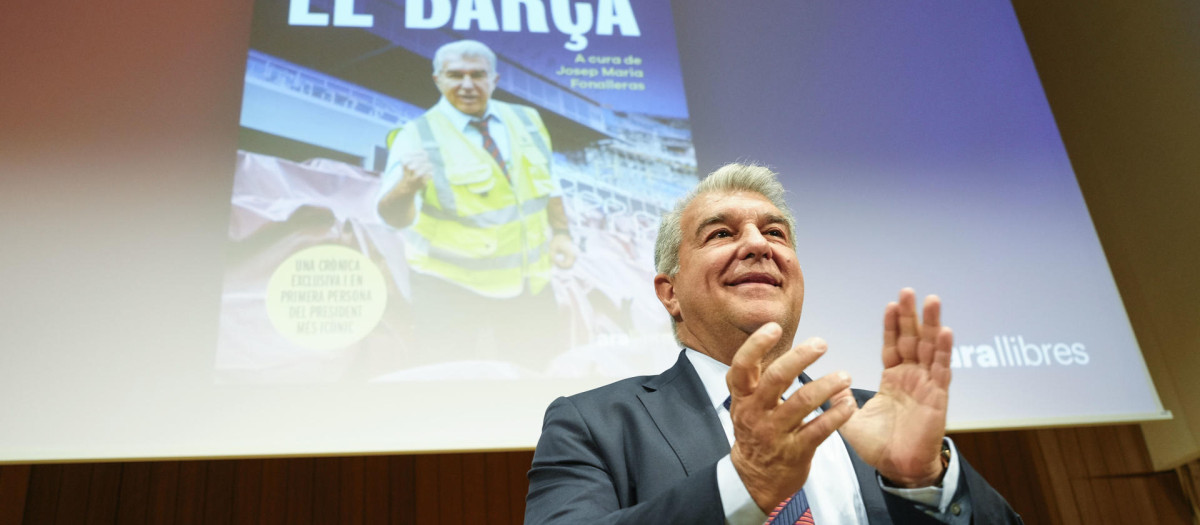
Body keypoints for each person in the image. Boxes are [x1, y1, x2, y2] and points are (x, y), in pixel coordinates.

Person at [525, 163, 1022, 523]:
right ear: (669, 292)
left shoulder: (875, 423)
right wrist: (743, 487)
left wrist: (924, 481)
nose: (758, 244)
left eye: (774, 233)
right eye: (721, 233)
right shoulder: (595, 423)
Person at [377, 40, 575, 371]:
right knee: (452, 382)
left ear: (494, 80)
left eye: (477, 75)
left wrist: (562, 233)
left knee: (539, 377)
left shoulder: (528, 120)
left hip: (531, 283)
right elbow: (391, 216)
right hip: (449, 289)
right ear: (438, 79)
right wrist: (407, 186)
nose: (467, 85)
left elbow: (548, 182)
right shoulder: (415, 136)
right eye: (455, 75)